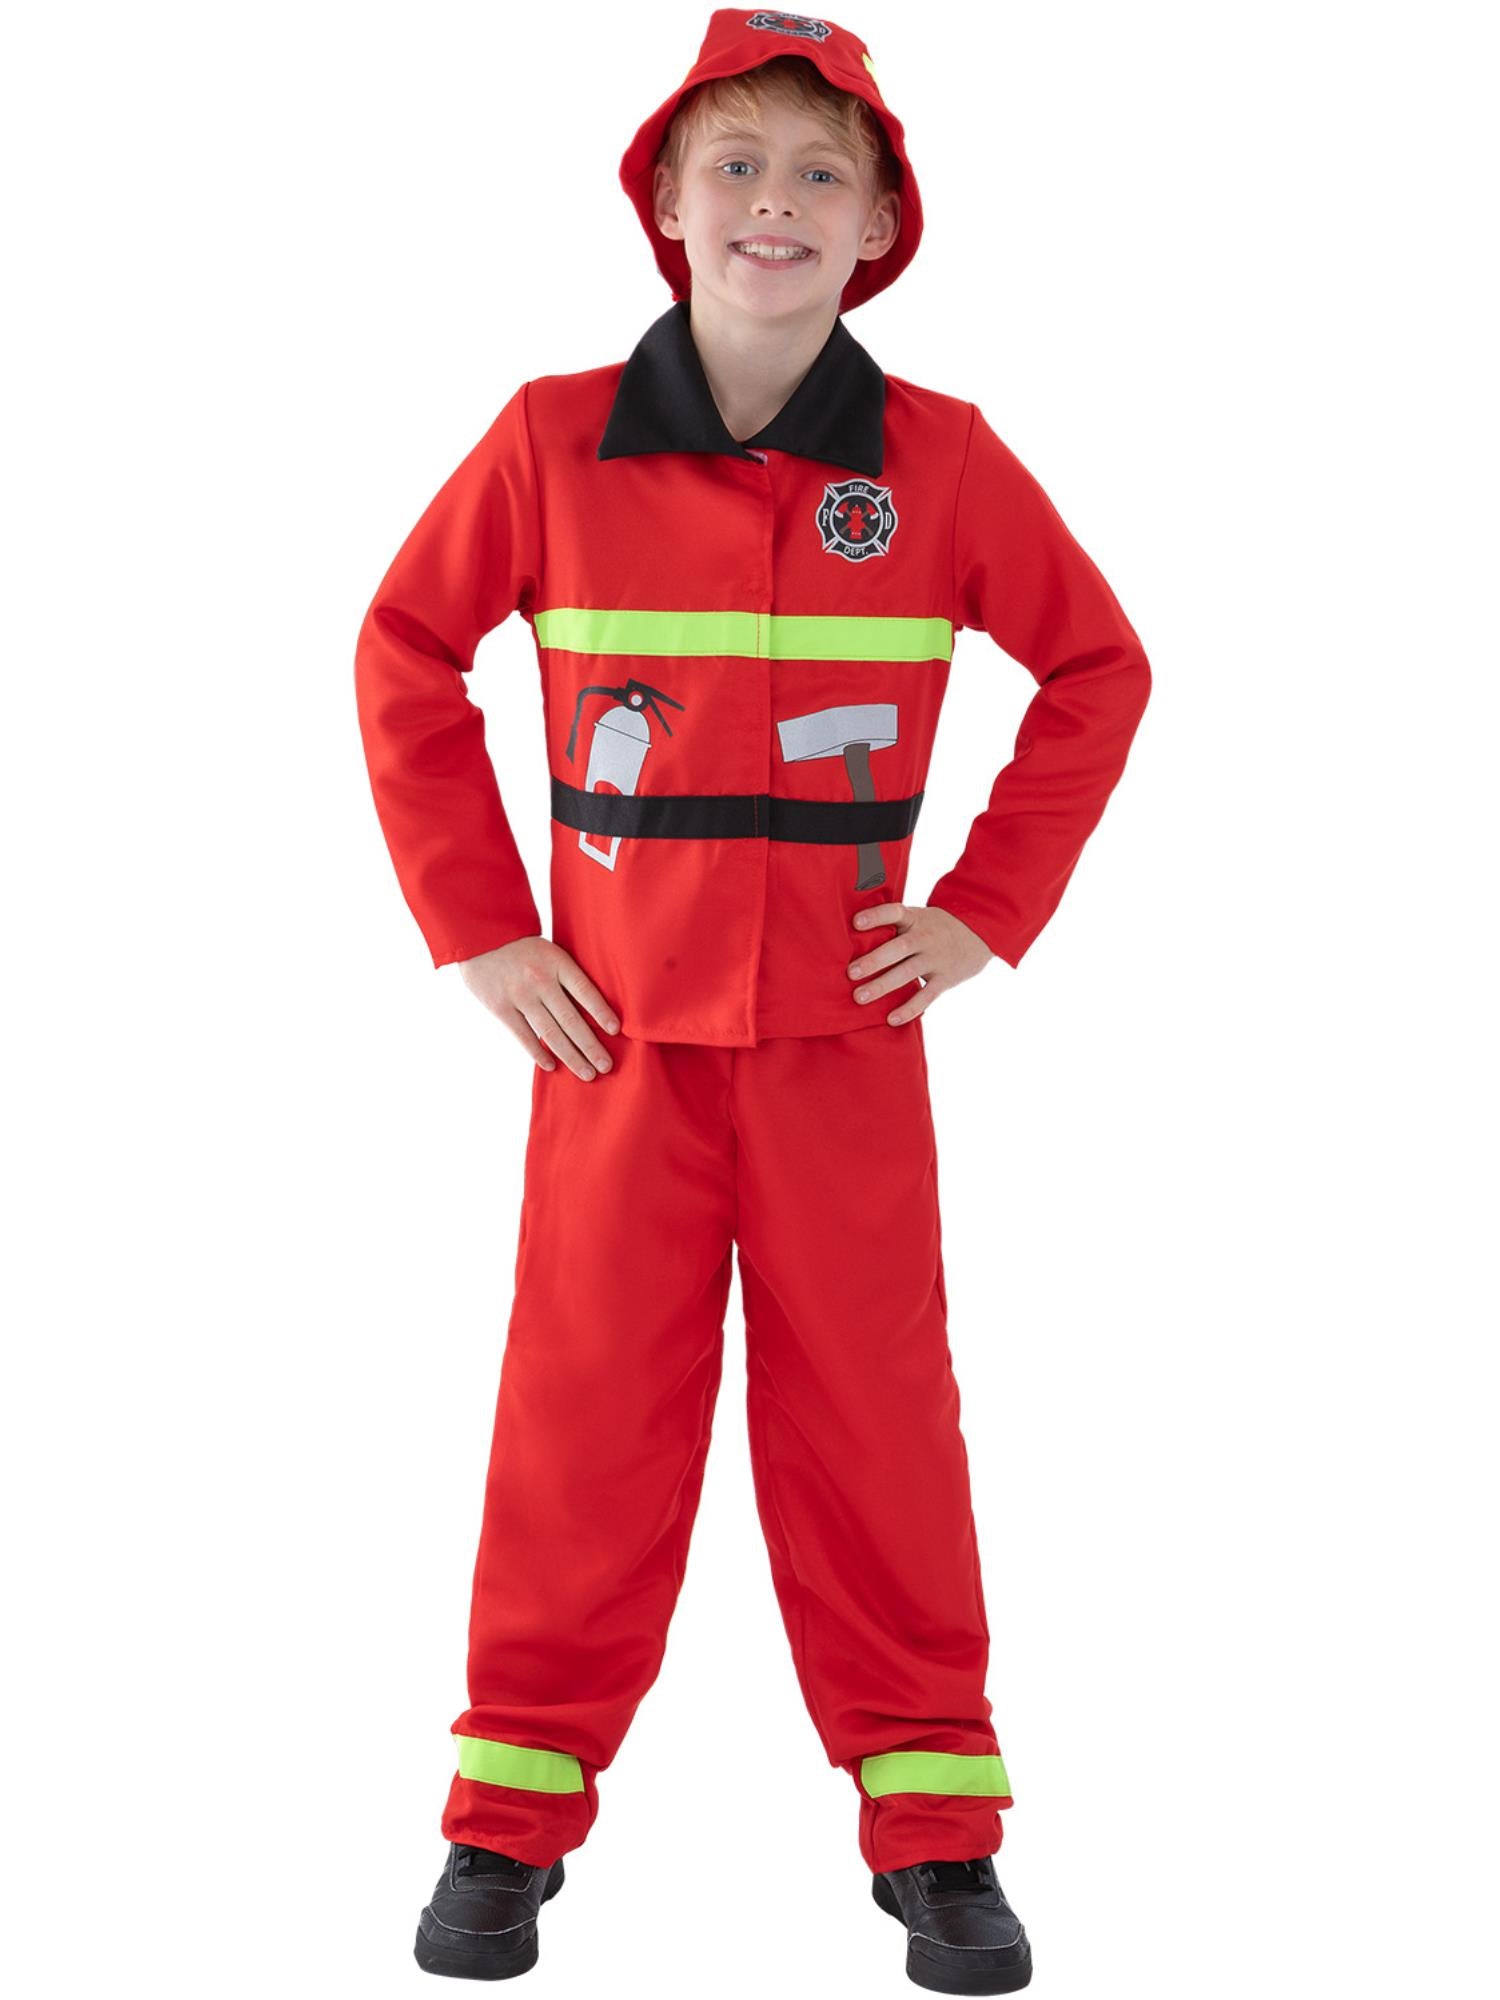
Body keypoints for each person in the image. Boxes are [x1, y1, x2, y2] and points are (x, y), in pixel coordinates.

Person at [354, 11, 1150, 1991]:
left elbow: (1098, 670)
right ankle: (506, 1813)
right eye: (736, 165)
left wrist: (985, 911)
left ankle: (937, 1830)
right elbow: (404, 653)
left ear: (879, 221)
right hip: (612, 1043)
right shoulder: (548, 440)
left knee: (881, 1426)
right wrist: (480, 929)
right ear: (665, 201)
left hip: (842, 1051)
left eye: (817, 173)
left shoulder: (944, 463)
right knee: (580, 1417)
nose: (773, 204)